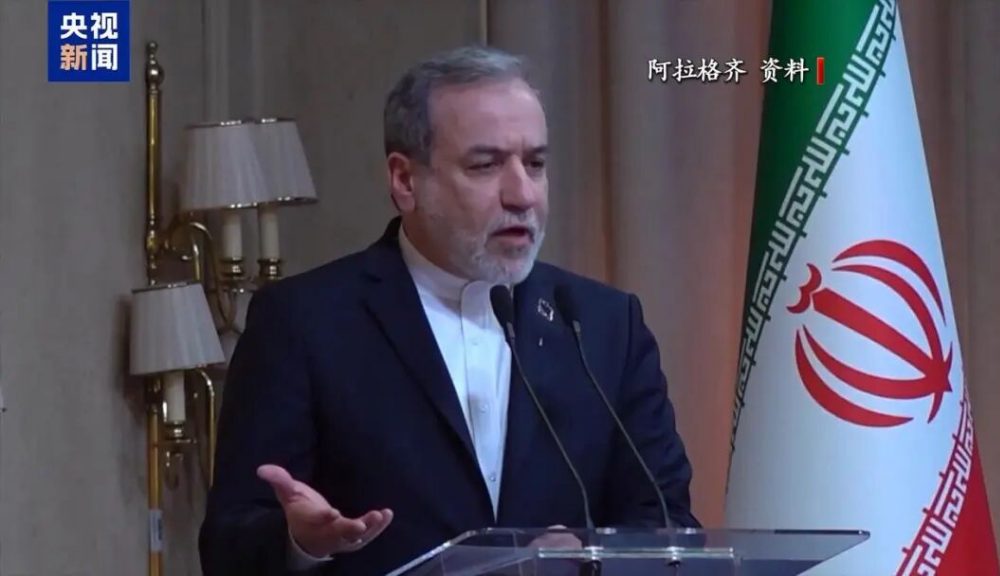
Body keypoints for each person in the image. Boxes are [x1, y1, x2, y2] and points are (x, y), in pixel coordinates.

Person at [199, 45, 699, 576]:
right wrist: (300, 542)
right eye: (485, 165)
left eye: (535, 163)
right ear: (405, 181)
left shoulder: (604, 326)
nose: (522, 194)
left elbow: (667, 525)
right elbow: (228, 546)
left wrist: (584, 556)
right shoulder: (304, 322)